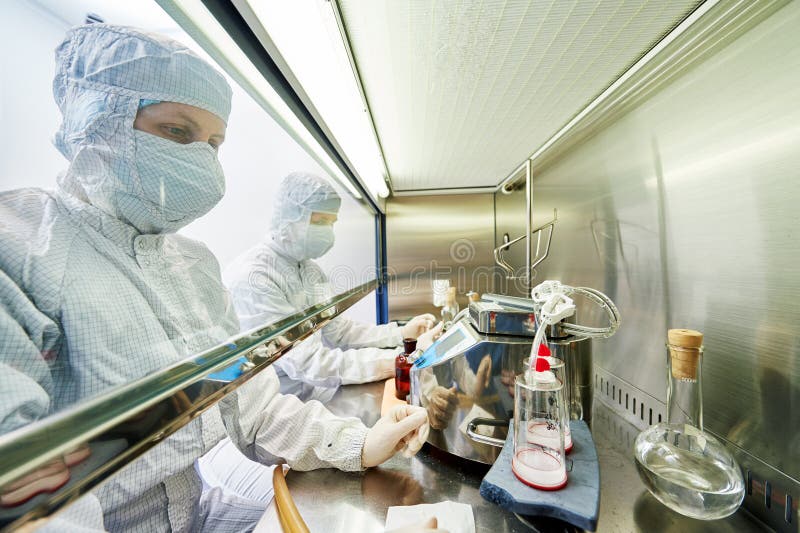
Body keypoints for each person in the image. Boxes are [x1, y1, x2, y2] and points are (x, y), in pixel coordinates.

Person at [0, 24, 434, 532]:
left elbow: (252, 407)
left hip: (195, 511)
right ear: (98, 120)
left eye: (214, 144)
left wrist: (359, 444)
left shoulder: (193, 265)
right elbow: (25, 498)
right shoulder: (22, 246)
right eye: (178, 132)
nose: (202, 163)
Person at [224, 172, 441, 399]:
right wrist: (403, 359)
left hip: (310, 393)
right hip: (274, 404)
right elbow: (307, 363)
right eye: (319, 222)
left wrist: (400, 334)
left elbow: (339, 331)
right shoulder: (255, 277)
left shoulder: (309, 270)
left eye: (331, 223)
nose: (327, 233)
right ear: (289, 218)